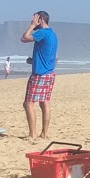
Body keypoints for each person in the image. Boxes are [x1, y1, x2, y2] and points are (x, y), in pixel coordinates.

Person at [21, 11, 58, 139]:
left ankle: (32, 134)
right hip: (49, 72)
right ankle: (45, 133)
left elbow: (24, 38)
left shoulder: (42, 32)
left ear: (40, 19)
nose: (33, 20)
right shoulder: (53, 34)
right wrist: (34, 60)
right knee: (44, 102)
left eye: (35, 18)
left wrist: (32, 25)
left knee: (28, 103)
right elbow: (55, 56)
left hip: (40, 73)